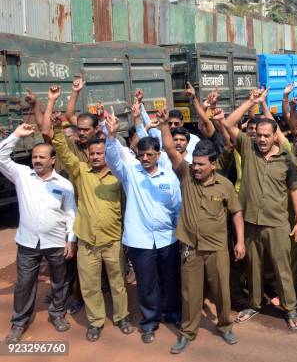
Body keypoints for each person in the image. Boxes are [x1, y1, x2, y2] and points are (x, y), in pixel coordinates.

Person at [157, 110, 246, 353]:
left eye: (200, 165)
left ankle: (225, 325)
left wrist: (240, 242)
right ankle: (187, 331)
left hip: (217, 247)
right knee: (190, 293)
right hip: (190, 247)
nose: (195, 168)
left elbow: (236, 212)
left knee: (221, 291)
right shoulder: (186, 175)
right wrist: (165, 124)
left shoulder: (225, 185)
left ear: (213, 165)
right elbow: (169, 148)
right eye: (194, 163)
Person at [223, 90, 297, 330]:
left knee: (283, 268)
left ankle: (290, 309)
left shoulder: (287, 159)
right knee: (253, 267)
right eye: (258, 135)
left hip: (278, 222)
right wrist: (252, 101)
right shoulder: (247, 148)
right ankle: (255, 304)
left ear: (274, 136)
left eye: (266, 136)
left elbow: (295, 192)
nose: (261, 139)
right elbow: (228, 123)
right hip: (250, 221)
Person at [51, 111, 134, 341]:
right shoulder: (80, 173)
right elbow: (65, 154)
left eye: (100, 153)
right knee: (89, 286)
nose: (96, 157)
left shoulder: (118, 178)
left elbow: (127, 207)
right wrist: (58, 130)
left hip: (113, 241)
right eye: (93, 153)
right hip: (87, 242)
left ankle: (122, 317)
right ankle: (96, 321)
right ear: (87, 154)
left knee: (118, 284)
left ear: (106, 154)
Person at [105, 108, 182, 344]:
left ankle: (172, 313)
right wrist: (111, 136)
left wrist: (180, 234)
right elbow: (113, 159)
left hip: (167, 239)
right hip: (140, 241)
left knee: (170, 280)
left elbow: (177, 208)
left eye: (150, 155)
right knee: (146, 284)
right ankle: (149, 322)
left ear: (158, 155)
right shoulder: (130, 174)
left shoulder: (169, 178)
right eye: (142, 155)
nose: (145, 159)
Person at [0, 124, 76, 343]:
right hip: (27, 243)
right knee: (24, 283)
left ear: (53, 160)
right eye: (34, 157)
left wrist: (71, 239)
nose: (37, 160)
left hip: (56, 242)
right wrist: (15, 135)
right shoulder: (22, 175)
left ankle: (57, 313)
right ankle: (19, 322)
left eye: (42, 157)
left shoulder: (64, 185)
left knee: (60, 281)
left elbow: (71, 213)